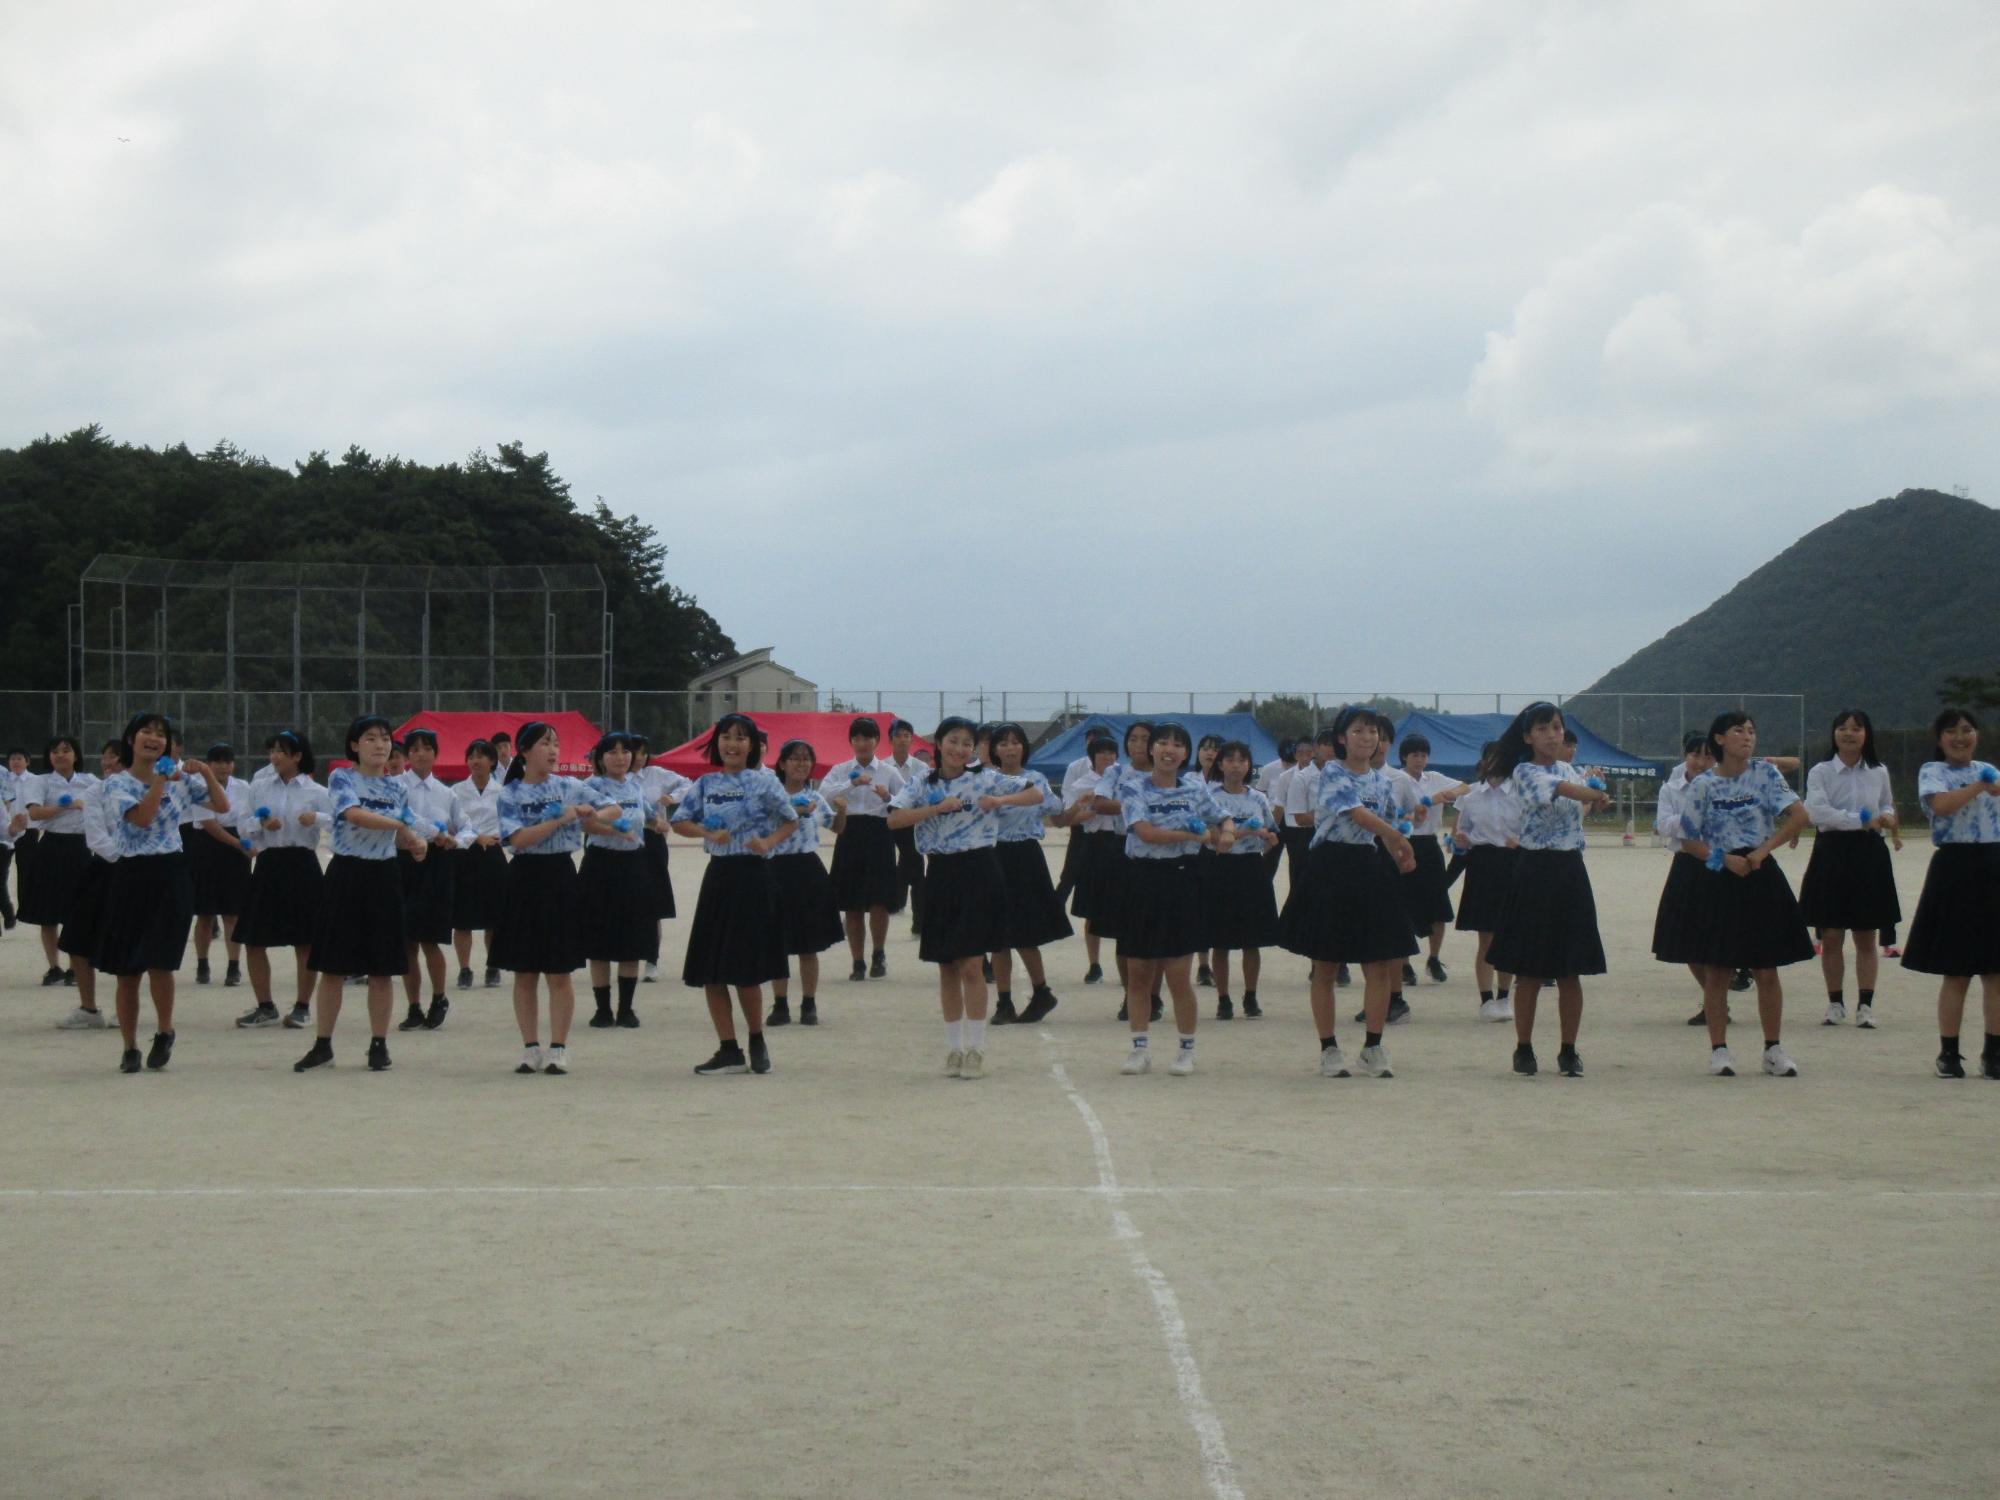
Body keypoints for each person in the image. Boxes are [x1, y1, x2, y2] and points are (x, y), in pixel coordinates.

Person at [886, 716, 1044, 1080]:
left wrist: (1000, 799)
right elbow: (894, 820)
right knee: (947, 966)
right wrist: (935, 809)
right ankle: (954, 1048)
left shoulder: (984, 777)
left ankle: (975, 1049)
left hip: (979, 872)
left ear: (975, 750)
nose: (960, 749)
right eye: (953, 741)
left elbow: (1035, 792)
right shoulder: (921, 782)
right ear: (939, 744)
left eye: (967, 743)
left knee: (972, 963)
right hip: (940, 873)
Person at [1279, 706, 1418, 1079]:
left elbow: (1386, 826)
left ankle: (1373, 1046)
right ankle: (1328, 1048)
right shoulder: (1333, 774)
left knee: (1378, 964)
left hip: (1368, 869)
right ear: (1342, 738)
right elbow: (1358, 814)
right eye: (1358, 731)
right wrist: (1395, 837)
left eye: (1373, 732)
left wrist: (1399, 852)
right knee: (1325, 965)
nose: (1367, 738)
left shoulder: (1384, 782)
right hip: (1329, 869)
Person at [1676, 712, 1814, 1078]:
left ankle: (1773, 1049)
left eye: (1752, 731)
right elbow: (1687, 839)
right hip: (1719, 877)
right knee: (1718, 970)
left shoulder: (1766, 775)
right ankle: (1719, 1050)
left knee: (1767, 968)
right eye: (1739, 731)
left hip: (1759, 872)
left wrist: (1765, 849)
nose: (1748, 737)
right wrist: (1722, 859)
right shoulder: (1703, 785)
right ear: (1719, 739)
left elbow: (1799, 815)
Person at [294, 716, 429, 1074]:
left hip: (384, 875)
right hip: (347, 874)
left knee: (382, 968)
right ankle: (323, 1045)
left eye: (385, 739)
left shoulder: (397, 788)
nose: (380, 745)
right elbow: (353, 815)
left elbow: (407, 829)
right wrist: (401, 827)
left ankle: (378, 1044)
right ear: (354, 746)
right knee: (333, 966)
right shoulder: (342, 778)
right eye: (370, 738)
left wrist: (417, 843)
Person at [95, 712, 229, 1072]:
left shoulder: (181, 779)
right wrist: (159, 781)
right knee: (127, 970)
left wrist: (204, 774)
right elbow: (142, 818)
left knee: (160, 963)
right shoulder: (115, 784)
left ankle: (164, 1031)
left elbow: (222, 805)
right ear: (131, 739)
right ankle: (129, 1047)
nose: (154, 738)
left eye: (161, 734)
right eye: (146, 732)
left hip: (170, 873)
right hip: (130, 875)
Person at [1485, 703, 1612, 1078]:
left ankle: (1568, 1049)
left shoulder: (1570, 769)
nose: (1553, 734)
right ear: (1528, 737)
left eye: (1557, 727)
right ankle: (1523, 1047)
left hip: (1570, 867)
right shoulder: (1525, 771)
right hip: (1535, 870)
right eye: (1543, 729)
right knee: (1530, 970)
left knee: (1571, 970)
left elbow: (1580, 808)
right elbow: (1563, 790)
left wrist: (1596, 798)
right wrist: (1591, 791)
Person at [671, 714, 799, 1076]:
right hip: (719, 878)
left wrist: (768, 842)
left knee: (746, 969)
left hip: (753, 877)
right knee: (711, 969)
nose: (733, 744)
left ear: (753, 746)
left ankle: (757, 1039)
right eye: (726, 737)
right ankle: (728, 1048)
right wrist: (705, 834)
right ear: (717, 744)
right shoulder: (704, 783)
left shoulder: (765, 783)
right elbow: (680, 821)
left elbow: (791, 819)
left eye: (742, 738)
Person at [1108, 722, 1232, 1075]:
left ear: (1185, 754)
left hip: (1182, 881)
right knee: (1139, 973)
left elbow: (1222, 817)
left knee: (1179, 975)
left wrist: (1226, 832)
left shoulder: (1194, 787)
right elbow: (1144, 833)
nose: (1169, 749)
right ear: (1151, 749)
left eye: (1178, 744)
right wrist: (1196, 836)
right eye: (1162, 742)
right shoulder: (1134, 787)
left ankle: (1186, 1050)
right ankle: (1139, 1048)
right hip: (1142, 881)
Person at [1899, 709, 2000, 1079]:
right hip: (1955, 868)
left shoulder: (1988, 768)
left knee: (1996, 971)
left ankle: (1994, 1052)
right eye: (1952, 731)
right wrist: (1979, 786)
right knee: (1957, 972)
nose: (1961, 737)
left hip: (1993, 865)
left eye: (1968, 730)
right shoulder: (1933, 771)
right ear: (1939, 738)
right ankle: (1949, 1052)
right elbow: (1941, 806)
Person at [494, 722, 599, 1076]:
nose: (553, 751)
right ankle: (530, 1047)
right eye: (544, 744)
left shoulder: (571, 786)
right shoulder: (509, 794)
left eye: (556, 743)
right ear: (524, 751)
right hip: (524, 879)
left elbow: (611, 808)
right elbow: (517, 840)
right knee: (524, 970)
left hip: (560, 877)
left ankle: (558, 1047)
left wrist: (592, 818)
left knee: (559, 970)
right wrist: (562, 819)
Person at [1799, 709, 1902, 1028]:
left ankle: (1865, 1005)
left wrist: (1886, 816)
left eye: (1856, 729)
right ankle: (1835, 1003)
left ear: (1866, 734)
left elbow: (1887, 803)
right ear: (1833, 734)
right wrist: (1859, 820)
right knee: (1831, 935)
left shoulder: (1878, 770)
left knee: (1866, 935)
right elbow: (1817, 812)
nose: (1848, 733)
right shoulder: (1820, 771)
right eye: (1842, 727)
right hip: (1832, 852)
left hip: (1869, 853)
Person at [232, 729, 329, 1030]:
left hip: (302, 864)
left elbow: (339, 822)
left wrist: (317, 819)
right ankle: (265, 1006)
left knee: (306, 941)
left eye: (281, 751)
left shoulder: (318, 792)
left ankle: (302, 1006)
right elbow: (242, 827)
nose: (274, 757)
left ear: (298, 756)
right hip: (269, 863)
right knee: (253, 939)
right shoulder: (259, 788)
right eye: (272, 750)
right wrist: (261, 822)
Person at [983, 722, 1071, 1027]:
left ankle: (1041, 991)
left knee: (1025, 933)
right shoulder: (984, 779)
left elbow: (1053, 807)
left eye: (1015, 742)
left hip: (1025, 857)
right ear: (993, 750)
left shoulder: (1035, 779)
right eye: (1003, 743)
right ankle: (1004, 1002)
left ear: (1024, 747)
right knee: (998, 936)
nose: (1009, 748)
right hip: (993, 856)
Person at [580, 730, 659, 1030]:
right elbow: (586, 823)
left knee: (632, 937)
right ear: (600, 758)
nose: (621, 757)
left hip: (634, 866)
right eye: (612, 751)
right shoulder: (592, 786)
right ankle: (602, 1009)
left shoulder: (635, 787)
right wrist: (616, 832)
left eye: (626, 751)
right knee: (599, 939)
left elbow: (649, 816)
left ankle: (626, 1008)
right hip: (601, 866)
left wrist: (659, 822)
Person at [763, 738, 843, 1028]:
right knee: (777, 941)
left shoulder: (815, 797)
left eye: (807, 759)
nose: (802, 764)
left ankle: (809, 1003)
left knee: (809, 944)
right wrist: (793, 812)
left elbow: (835, 826)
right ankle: (780, 1003)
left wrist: (841, 810)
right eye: (795, 758)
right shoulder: (770, 796)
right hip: (775, 868)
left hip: (807, 869)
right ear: (782, 764)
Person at [821, 717, 906, 982]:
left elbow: (906, 800)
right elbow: (824, 794)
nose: (862, 743)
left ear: (877, 741)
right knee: (852, 903)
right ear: (851, 742)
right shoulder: (841, 769)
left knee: (879, 901)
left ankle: (878, 953)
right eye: (857, 738)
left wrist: (887, 798)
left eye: (868, 738)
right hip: (850, 832)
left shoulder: (889, 772)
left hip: (880, 834)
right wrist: (852, 784)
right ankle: (857, 960)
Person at [1202, 741, 1281, 1020]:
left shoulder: (1258, 798)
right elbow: (1211, 838)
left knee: (1252, 940)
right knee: (1220, 941)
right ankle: (1223, 998)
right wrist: (1244, 832)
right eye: (1230, 759)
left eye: (1242, 760)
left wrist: (1268, 840)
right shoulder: (1209, 796)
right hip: (1220, 868)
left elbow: (1272, 834)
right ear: (1220, 764)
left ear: (1249, 765)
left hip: (1251, 869)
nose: (1236, 765)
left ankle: (1250, 995)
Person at [1651, 733, 1723, 1027]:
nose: (1701, 762)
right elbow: (1663, 824)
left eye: (1708, 756)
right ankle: (1715, 1000)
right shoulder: (1671, 788)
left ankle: (1716, 1001)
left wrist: (1686, 822)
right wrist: (1693, 820)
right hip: (1686, 866)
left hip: (1718, 864)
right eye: (1695, 755)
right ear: (1686, 756)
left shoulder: (1724, 785)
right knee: (1683, 938)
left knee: (1718, 937)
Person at [394, 728, 463, 1032]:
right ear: (407, 755)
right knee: (406, 940)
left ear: (436, 754)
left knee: (430, 939)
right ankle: (413, 1007)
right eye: (415, 748)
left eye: (427, 748)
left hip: (436, 865)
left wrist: (453, 841)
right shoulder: (395, 787)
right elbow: (399, 820)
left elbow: (466, 828)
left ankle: (438, 998)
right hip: (401, 862)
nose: (421, 753)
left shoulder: (447, 794)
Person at [53, 740, 125, 1030]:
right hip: (103, 868)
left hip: (136, 871)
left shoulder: (146, 788)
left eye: (116, 758)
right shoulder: (96, 790)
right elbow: (95, 835)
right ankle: (89, 1008)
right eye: (105, 756)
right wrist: (122, 857)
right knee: (78, 937)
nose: (108, 762)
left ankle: (125, 1006)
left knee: (126, 941)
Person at [1087, 721, 1157, 1019]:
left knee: (1155, 931)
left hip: (1156, 854)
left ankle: (1153, 996)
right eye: (1133, 739)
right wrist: (1140, 805)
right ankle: (1131, 995)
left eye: (1144, 739)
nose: (1137, 744)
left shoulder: (1165, 775)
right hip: (1121, 851)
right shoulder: (1116, 771)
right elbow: (1100, 804)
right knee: (1122, 930)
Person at [1449, 742, 1522, 1021]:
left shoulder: (1519, 792)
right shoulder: (1471, 795)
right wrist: (1460, 840)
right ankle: (1485, 1000)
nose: (1495, 762)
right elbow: (1461, 832)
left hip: (1513, 863)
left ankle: (1504, 998)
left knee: (1508, 935)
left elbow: (1530, 828)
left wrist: (1522, 843)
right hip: (1482, 864)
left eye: (1501, 757)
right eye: (1490, 757)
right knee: (1486, 938)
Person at [19, 735, 99, 987]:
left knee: (79, 911)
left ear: (76, 755)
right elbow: (34, 812)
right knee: (48, 912)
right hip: (52, 846)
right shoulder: (41, 782)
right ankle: (54, 966)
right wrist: (65, 807)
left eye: (66, 750)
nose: (60, 755)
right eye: (55, 751)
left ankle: (77, 966)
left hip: (80, 847)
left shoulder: (90, 781)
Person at [1391, 734, 1465, 985]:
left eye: (1423, 755)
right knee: (1403, 903)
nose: (1420, 760)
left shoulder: (1434, 778)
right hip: (1405, 841)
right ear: (1404, 757)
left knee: (1438, 903)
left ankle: (1434, 958)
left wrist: (1441, 795)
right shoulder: (1396, 780)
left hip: (1429, 844)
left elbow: (1465, 787)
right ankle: (1404, 963)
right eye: (1415, 755)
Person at [187, 743, 253, 988]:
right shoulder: (197, 786)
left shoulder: (243, 787)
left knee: (232, 914)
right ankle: (202, 963)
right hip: (206, 846)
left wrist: (249, 843)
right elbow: (208, 824)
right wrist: (240, 845)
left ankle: (233, 966)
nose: (224, 766)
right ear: (209, 764)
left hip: (236, 848)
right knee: (204, 914)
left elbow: (247, 817)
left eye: (228, 761)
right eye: (218, 761)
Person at [1062, 735, 1121, 986]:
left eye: (1112, 753)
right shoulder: (1082, 783)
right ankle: (1094, 964)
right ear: (1092, 758)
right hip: (1094, 844)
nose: (1108, 758)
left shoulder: (1125, 779)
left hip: (1119, 843)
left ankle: (1125, 962)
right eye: (1102, 753)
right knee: (1091, 907)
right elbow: (1070, 818)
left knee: (1122, 908)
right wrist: (1089, 807)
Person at [631, 734, 691, 983]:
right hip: (626, 840)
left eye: (644, 752)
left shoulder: (657, 774)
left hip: (653, 840)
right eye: (636, 752)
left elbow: (687, 784)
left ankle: (652, 959)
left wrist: (672, 798)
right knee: (629, 900)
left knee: (653, 901)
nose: (640, 757)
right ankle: (630, 954)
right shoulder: (616, 777)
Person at [450, 739, 508, 991]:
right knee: (462, 918)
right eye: (471, 756)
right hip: (464, 856)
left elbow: (510, 822)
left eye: (481, 756)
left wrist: (498, 837)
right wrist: (475, 837)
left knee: (493, 917)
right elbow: (453, 824)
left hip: (493, 855)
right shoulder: (456, 791)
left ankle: (493, 965)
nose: (475, 761)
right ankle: (464, 969)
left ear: (492, 761)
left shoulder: (503, 791)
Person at [885, 719, 931, 932]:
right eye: (898, 736)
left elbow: (924, 796)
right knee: (899, 865)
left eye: (907, 736)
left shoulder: (921, 768)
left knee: (914, 866)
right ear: (890, 739)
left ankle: (919, 922)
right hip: (888, 822)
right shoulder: (883, 766)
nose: (903, 740)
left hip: (912, 823)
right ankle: (896, 901)